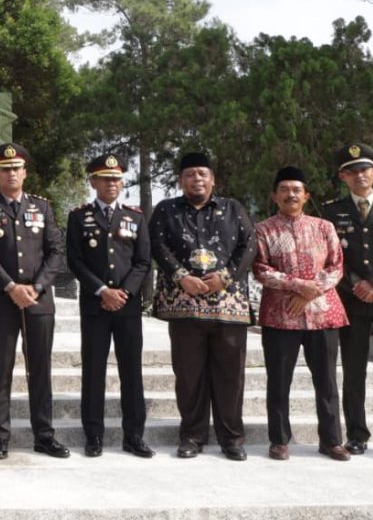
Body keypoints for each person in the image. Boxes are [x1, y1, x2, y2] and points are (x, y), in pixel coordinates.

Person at [150, 151, 254, 461]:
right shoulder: (166, 210)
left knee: (230, 376)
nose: (197, 179)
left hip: (228, 305)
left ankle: (232, 438)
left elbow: (249, 245)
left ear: (213, 179)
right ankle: (192, 436)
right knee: (189, 375)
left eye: (202, 174)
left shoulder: (233, 209)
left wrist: (225, 277)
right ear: (181, 180)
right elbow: (157, 245)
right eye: (190, 174)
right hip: (184, 305)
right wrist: (181, 276)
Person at [0, 143, 69, 460]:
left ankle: (44, 434)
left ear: (24, 172)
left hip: (39, 301)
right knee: (0, 369)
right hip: (2, 300)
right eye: (5, 169)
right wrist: (11, 286)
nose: (11, 173)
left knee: (39, 369)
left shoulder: (42, 208)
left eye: (16, 168)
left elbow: (56, 252)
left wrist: (37, 286)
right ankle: (0, 436)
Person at [254, 165, 349, 461]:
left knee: (327, 381)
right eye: (284, 189)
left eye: (296, 190)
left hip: (322, 314)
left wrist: (311, 291)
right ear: (274, 195)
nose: (290, 194)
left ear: (306, 196)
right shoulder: (263, 229)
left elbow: (336, 265)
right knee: (279, 380)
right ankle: (280, 440)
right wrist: (298, 286)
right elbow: (261, 268)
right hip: (280, 316)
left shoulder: (324, 227)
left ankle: (332, 440)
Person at [65, 154, 153, 458]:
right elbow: (74, 260)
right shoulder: (79, 217)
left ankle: (134, 435)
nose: (111, 183)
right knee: (93, 370)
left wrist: (124, 292)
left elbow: (143, 261)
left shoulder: (135, 216)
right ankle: (93, 434)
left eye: (116, 178)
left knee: (131, 370)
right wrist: (102, 290)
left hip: (127, 307)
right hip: (95, 304)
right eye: (105, 178)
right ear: (93, 182)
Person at [321, 143, 373, 454]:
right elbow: (331, 257)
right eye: (352, 171)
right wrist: (357, 284)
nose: (360, 175)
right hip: (352, 301)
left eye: (365, 169)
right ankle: (357, 435)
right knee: (354, 371)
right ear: (343, 177)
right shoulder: (331, 211)